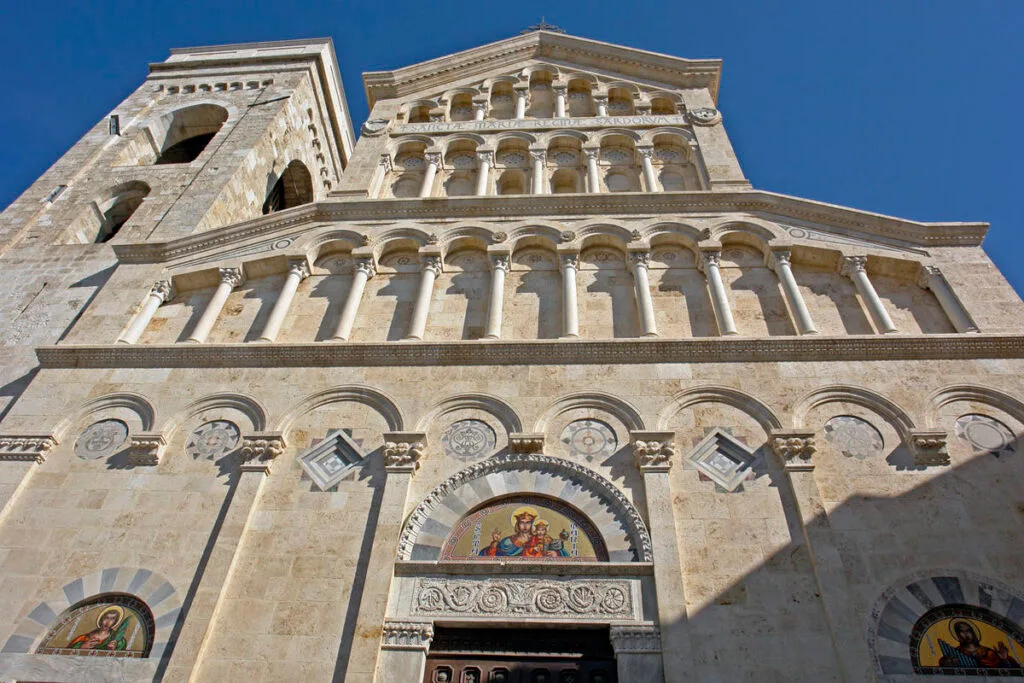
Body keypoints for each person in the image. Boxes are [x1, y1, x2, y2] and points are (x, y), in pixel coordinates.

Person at [938, 619, 1021, 669]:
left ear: (973, 632)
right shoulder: (954, 653)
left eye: (968, 630)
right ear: (958, 635)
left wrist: (1004, 659)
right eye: (961, 631)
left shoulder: (988, 653)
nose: (966, 634)